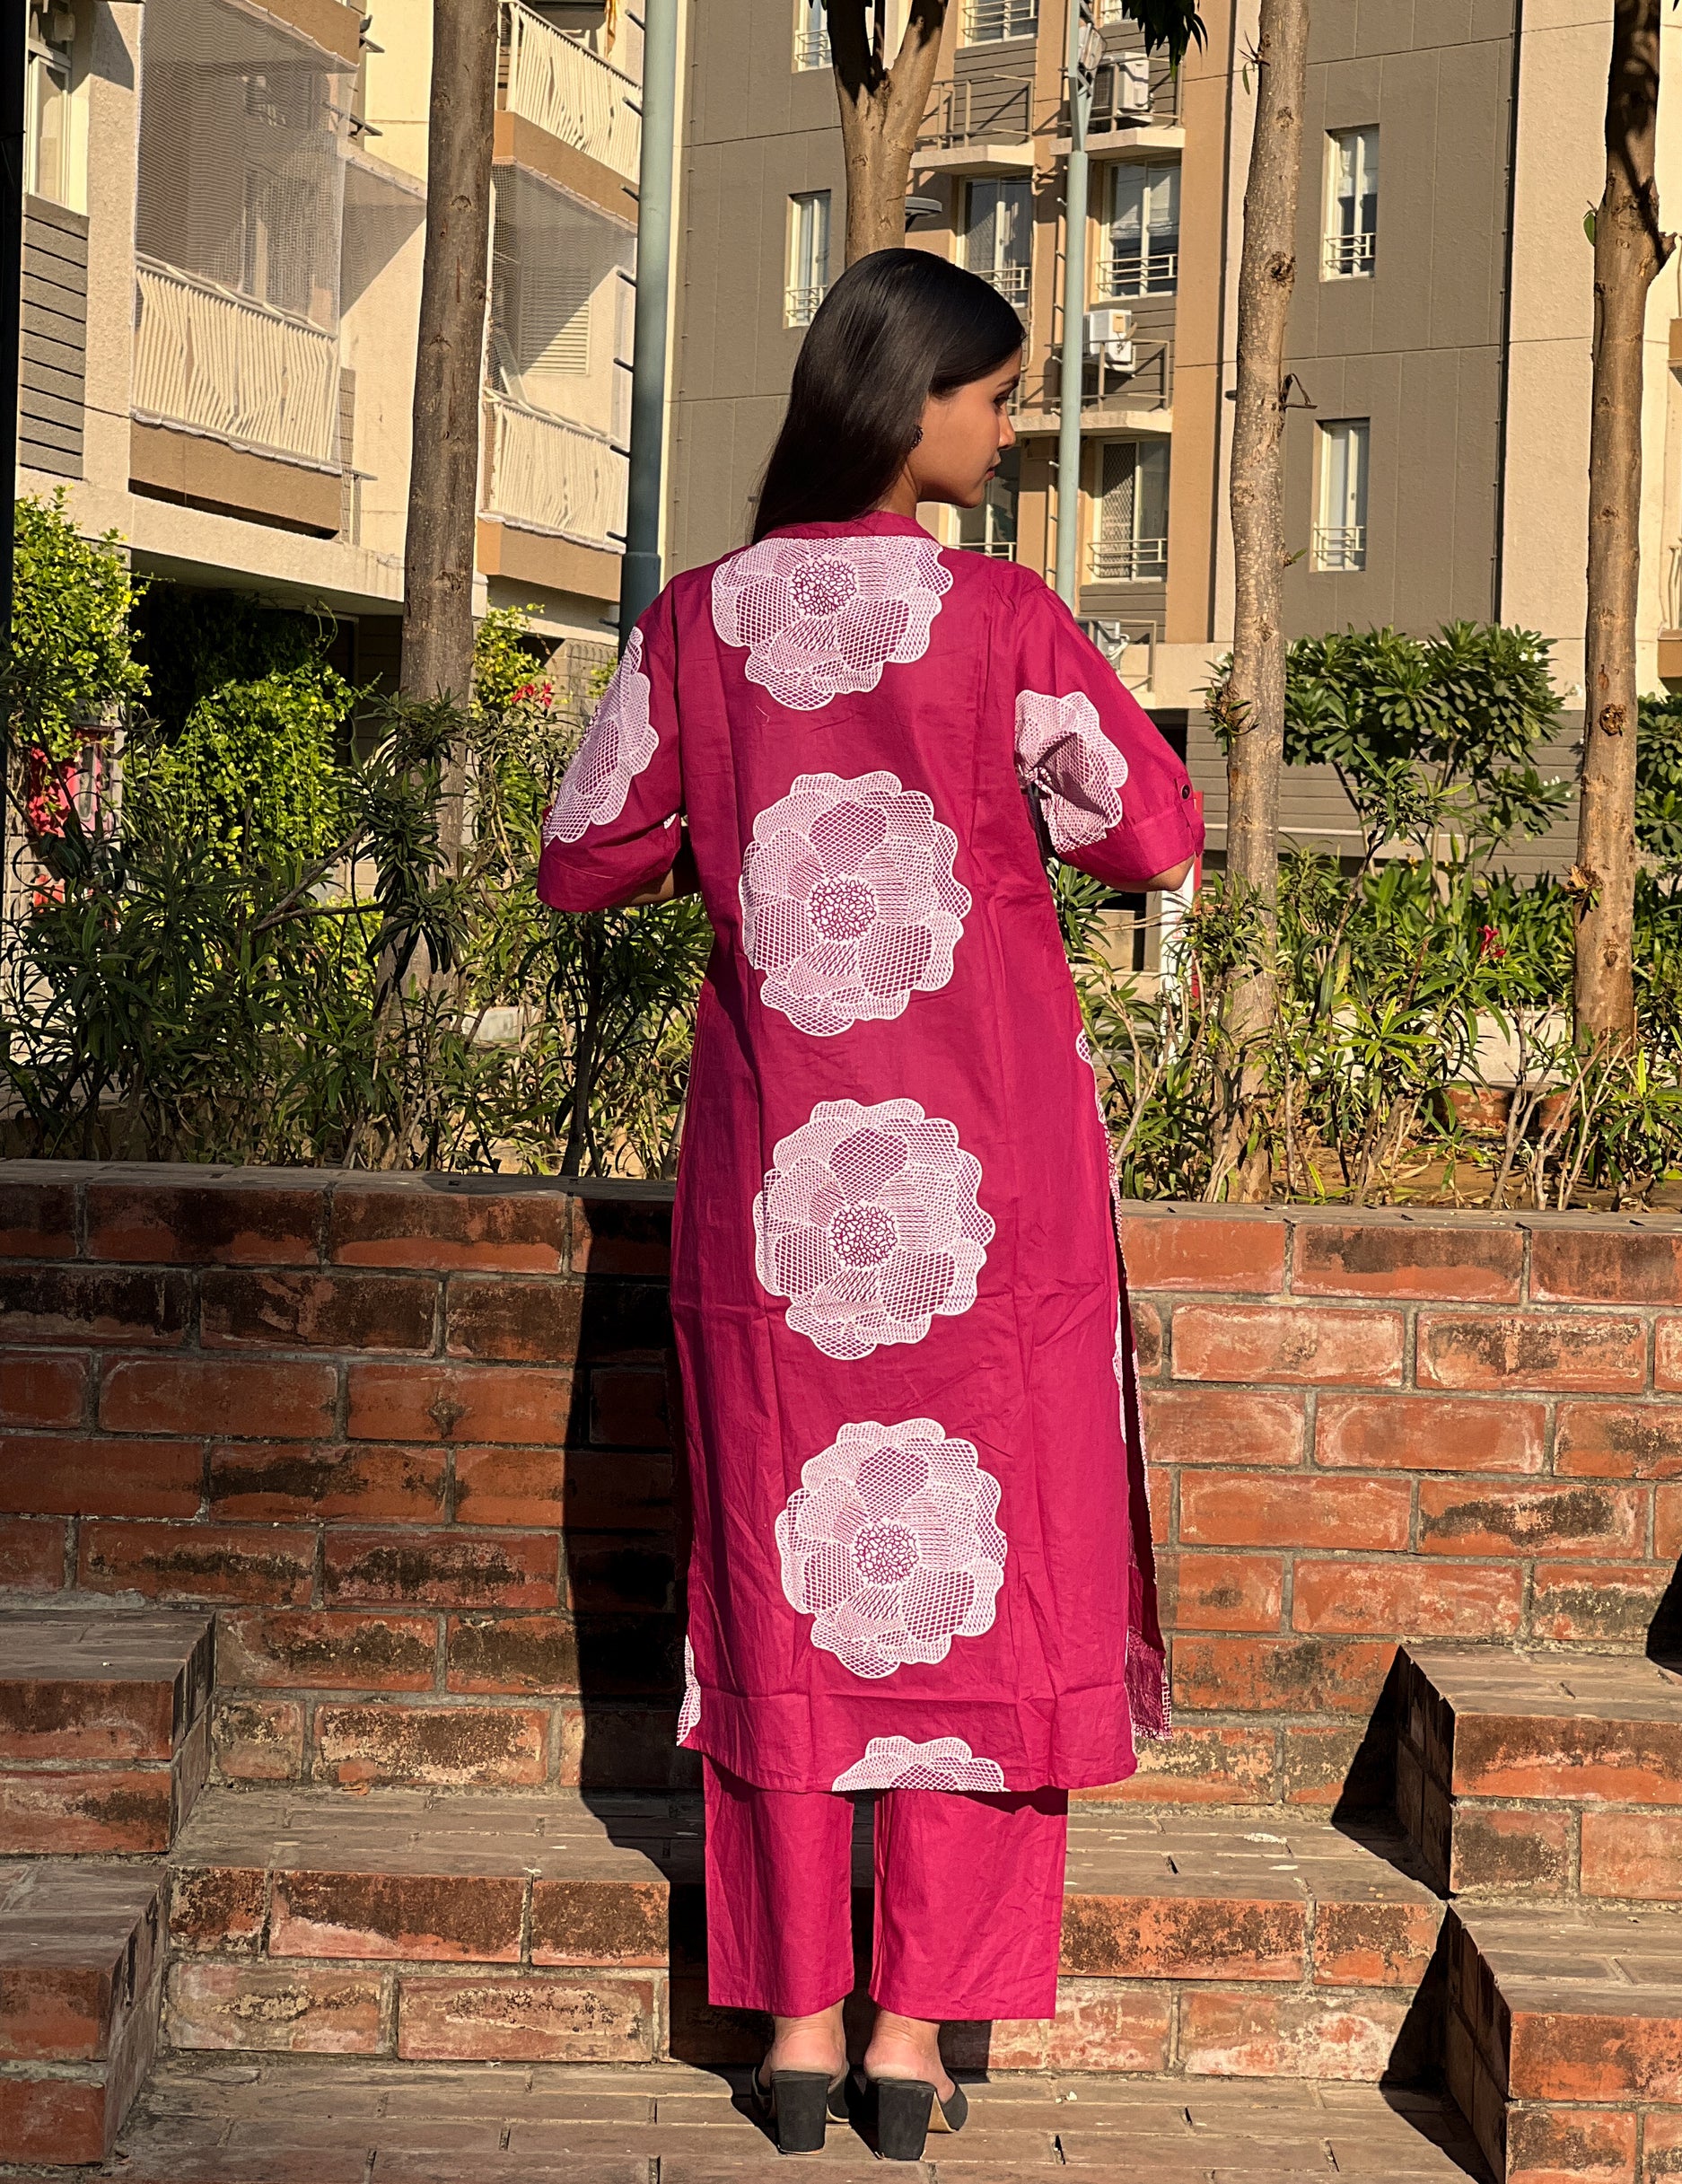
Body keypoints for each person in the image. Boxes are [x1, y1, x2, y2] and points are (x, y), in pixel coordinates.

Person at [538, 249, 1202, 2160]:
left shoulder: (696, 618)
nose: (1008, 426)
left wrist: (733, 827)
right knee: (985, 1572)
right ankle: (915, 2038)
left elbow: (584, 854)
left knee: (788, 1576)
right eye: (992, 396)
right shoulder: (1002, 617)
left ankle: (796, 2027)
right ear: (908, 403)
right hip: (991, 1198)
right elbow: (1151, 829)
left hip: (782, 1202)